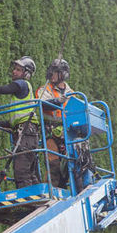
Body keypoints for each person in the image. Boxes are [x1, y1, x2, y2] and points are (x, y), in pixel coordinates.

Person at [0, 56, 40, 189]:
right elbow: (15, 121)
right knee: (29, 173)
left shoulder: (21, 84)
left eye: (18, 70)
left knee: (21, 172)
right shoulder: (23, 91)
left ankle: (31, 205)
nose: (14, 71)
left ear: (26, 74)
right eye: (14, 69)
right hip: (28, 134)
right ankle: (40, 199)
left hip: (25, 135)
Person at [35, 59, 74, 188]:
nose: (51, 74)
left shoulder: (71, 93)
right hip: (50, 132)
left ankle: (64, 189)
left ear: (63, 74)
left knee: (71, 165)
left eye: (55, 72)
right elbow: (42, 103)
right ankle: (51, 192)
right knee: (53, 164)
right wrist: (57, 101)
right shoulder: (44, 89)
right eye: (51, 71)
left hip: (67, 133)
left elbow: (76, 110)